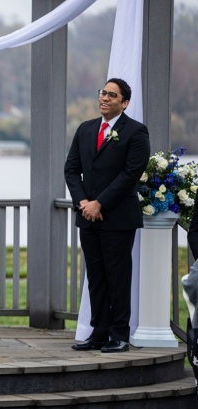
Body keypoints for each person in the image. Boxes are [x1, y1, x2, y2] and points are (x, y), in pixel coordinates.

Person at [65, 78, 150, 353]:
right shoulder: (86, 129)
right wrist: (83, 202)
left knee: (118, 276)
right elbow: (71, 169)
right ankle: (98, 332)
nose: (104, 98)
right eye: (103, 93)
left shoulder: (136, 133)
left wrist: (100, 203)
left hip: (117, 218)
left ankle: (120, 334)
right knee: (96, 276)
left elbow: (130, 175)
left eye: (111, 95)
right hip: (87, 216)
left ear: (124, 103)